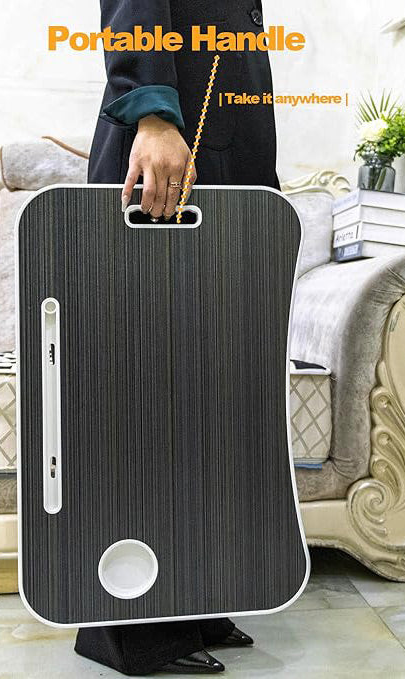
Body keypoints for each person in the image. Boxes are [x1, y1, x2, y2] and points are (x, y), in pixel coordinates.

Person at [77, 1, 279, 675]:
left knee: (210, 392)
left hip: (223, 152)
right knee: (147, 391)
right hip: (170, 153)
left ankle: (195, 599)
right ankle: (136, 627)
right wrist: (152, 112)